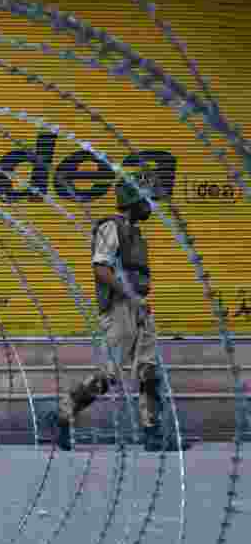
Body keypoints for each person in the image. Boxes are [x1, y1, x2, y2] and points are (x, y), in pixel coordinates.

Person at [53, 170, 190, 452]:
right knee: (109, 374)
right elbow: (100, 269)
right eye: (146, 200)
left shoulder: (135, 233)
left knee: (149, 371)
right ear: (133, 199)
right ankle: (63, 414)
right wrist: (130, 297)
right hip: (119, 308)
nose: (150, 206)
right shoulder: (111, 227)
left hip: (138, 307)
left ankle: (152, 432)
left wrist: (140, 300)